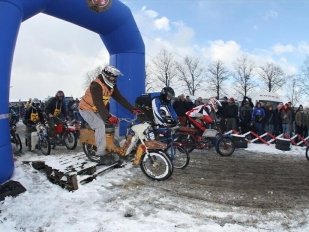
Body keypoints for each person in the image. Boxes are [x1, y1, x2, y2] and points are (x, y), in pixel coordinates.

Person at [78, 65, 142, 165]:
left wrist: (132, 109)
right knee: (100, 125)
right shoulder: (96, 85)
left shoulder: (111, 86)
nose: (114, 79)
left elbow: (120, 98)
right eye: (112, 77)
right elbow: (98, 103)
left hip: (97, 109)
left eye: (115, 77)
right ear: (106, 76)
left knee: (117, 122)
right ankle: (101, 154)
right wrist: (108, 117)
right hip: (86, 109)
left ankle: (113, 145)